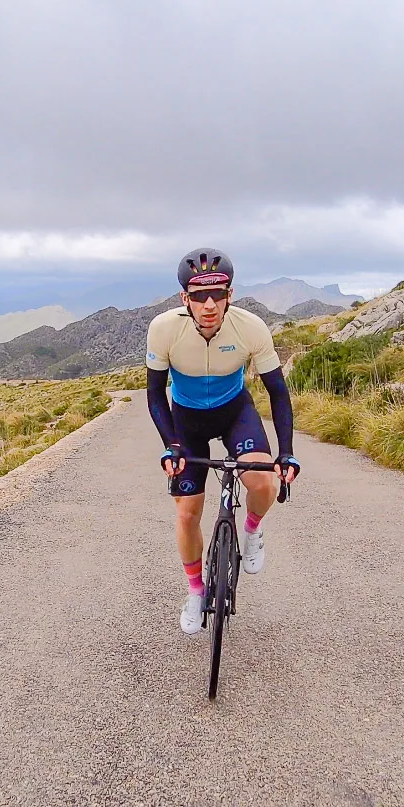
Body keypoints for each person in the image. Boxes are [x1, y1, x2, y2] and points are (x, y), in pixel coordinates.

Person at [145, 247, 300, 635]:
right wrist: (172, 444)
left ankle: (250, 530)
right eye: (199, 295)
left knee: (264, 481)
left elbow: (278, 394)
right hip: (186, 421)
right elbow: (154, 395)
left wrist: (287, 453)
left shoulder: (251, 328)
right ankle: (196, 592)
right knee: (187, 513)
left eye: (218, 293)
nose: (209, 304)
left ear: (230, 294)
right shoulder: (164, 329)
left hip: (234, 412)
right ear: (185, 299)